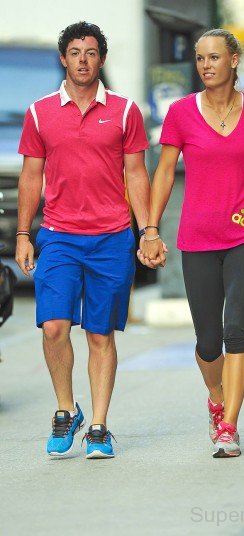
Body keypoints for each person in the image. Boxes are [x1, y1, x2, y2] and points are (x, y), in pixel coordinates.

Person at [138, 29, 244, 458]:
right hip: (198, 236)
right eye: (199, 58)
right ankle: (216, 397)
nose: (206, 65)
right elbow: (163, 173)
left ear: (234, 60)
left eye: (214, 57)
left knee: (235, 331)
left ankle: (229, 425)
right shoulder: (180, 113)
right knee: (208, 342)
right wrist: (150, 229)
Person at [16, 21, 151, 459]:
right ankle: (64, 410)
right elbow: (31, 176)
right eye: (75, 52)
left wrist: (147, 230)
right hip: (58, 236)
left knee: (99, 334)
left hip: (112, 237)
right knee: (54, 326)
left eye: (91, 52)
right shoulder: (39, 112)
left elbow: (136, 173)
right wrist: (23, 234)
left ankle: (98, 425)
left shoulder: (126, 111)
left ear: (102, 60)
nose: (82, 60)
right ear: (64, 58)